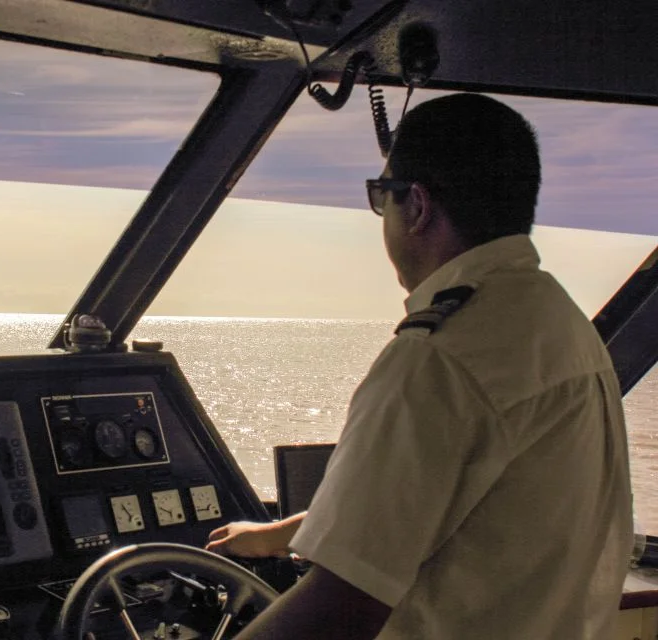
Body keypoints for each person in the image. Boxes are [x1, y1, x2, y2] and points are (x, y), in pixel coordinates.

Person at [206, 93, 633, 639]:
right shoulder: (560, 325)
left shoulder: (437, 358)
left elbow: (339, 610)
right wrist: (275, 536)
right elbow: (470, 512)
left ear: (417, 206)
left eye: (381, 196)